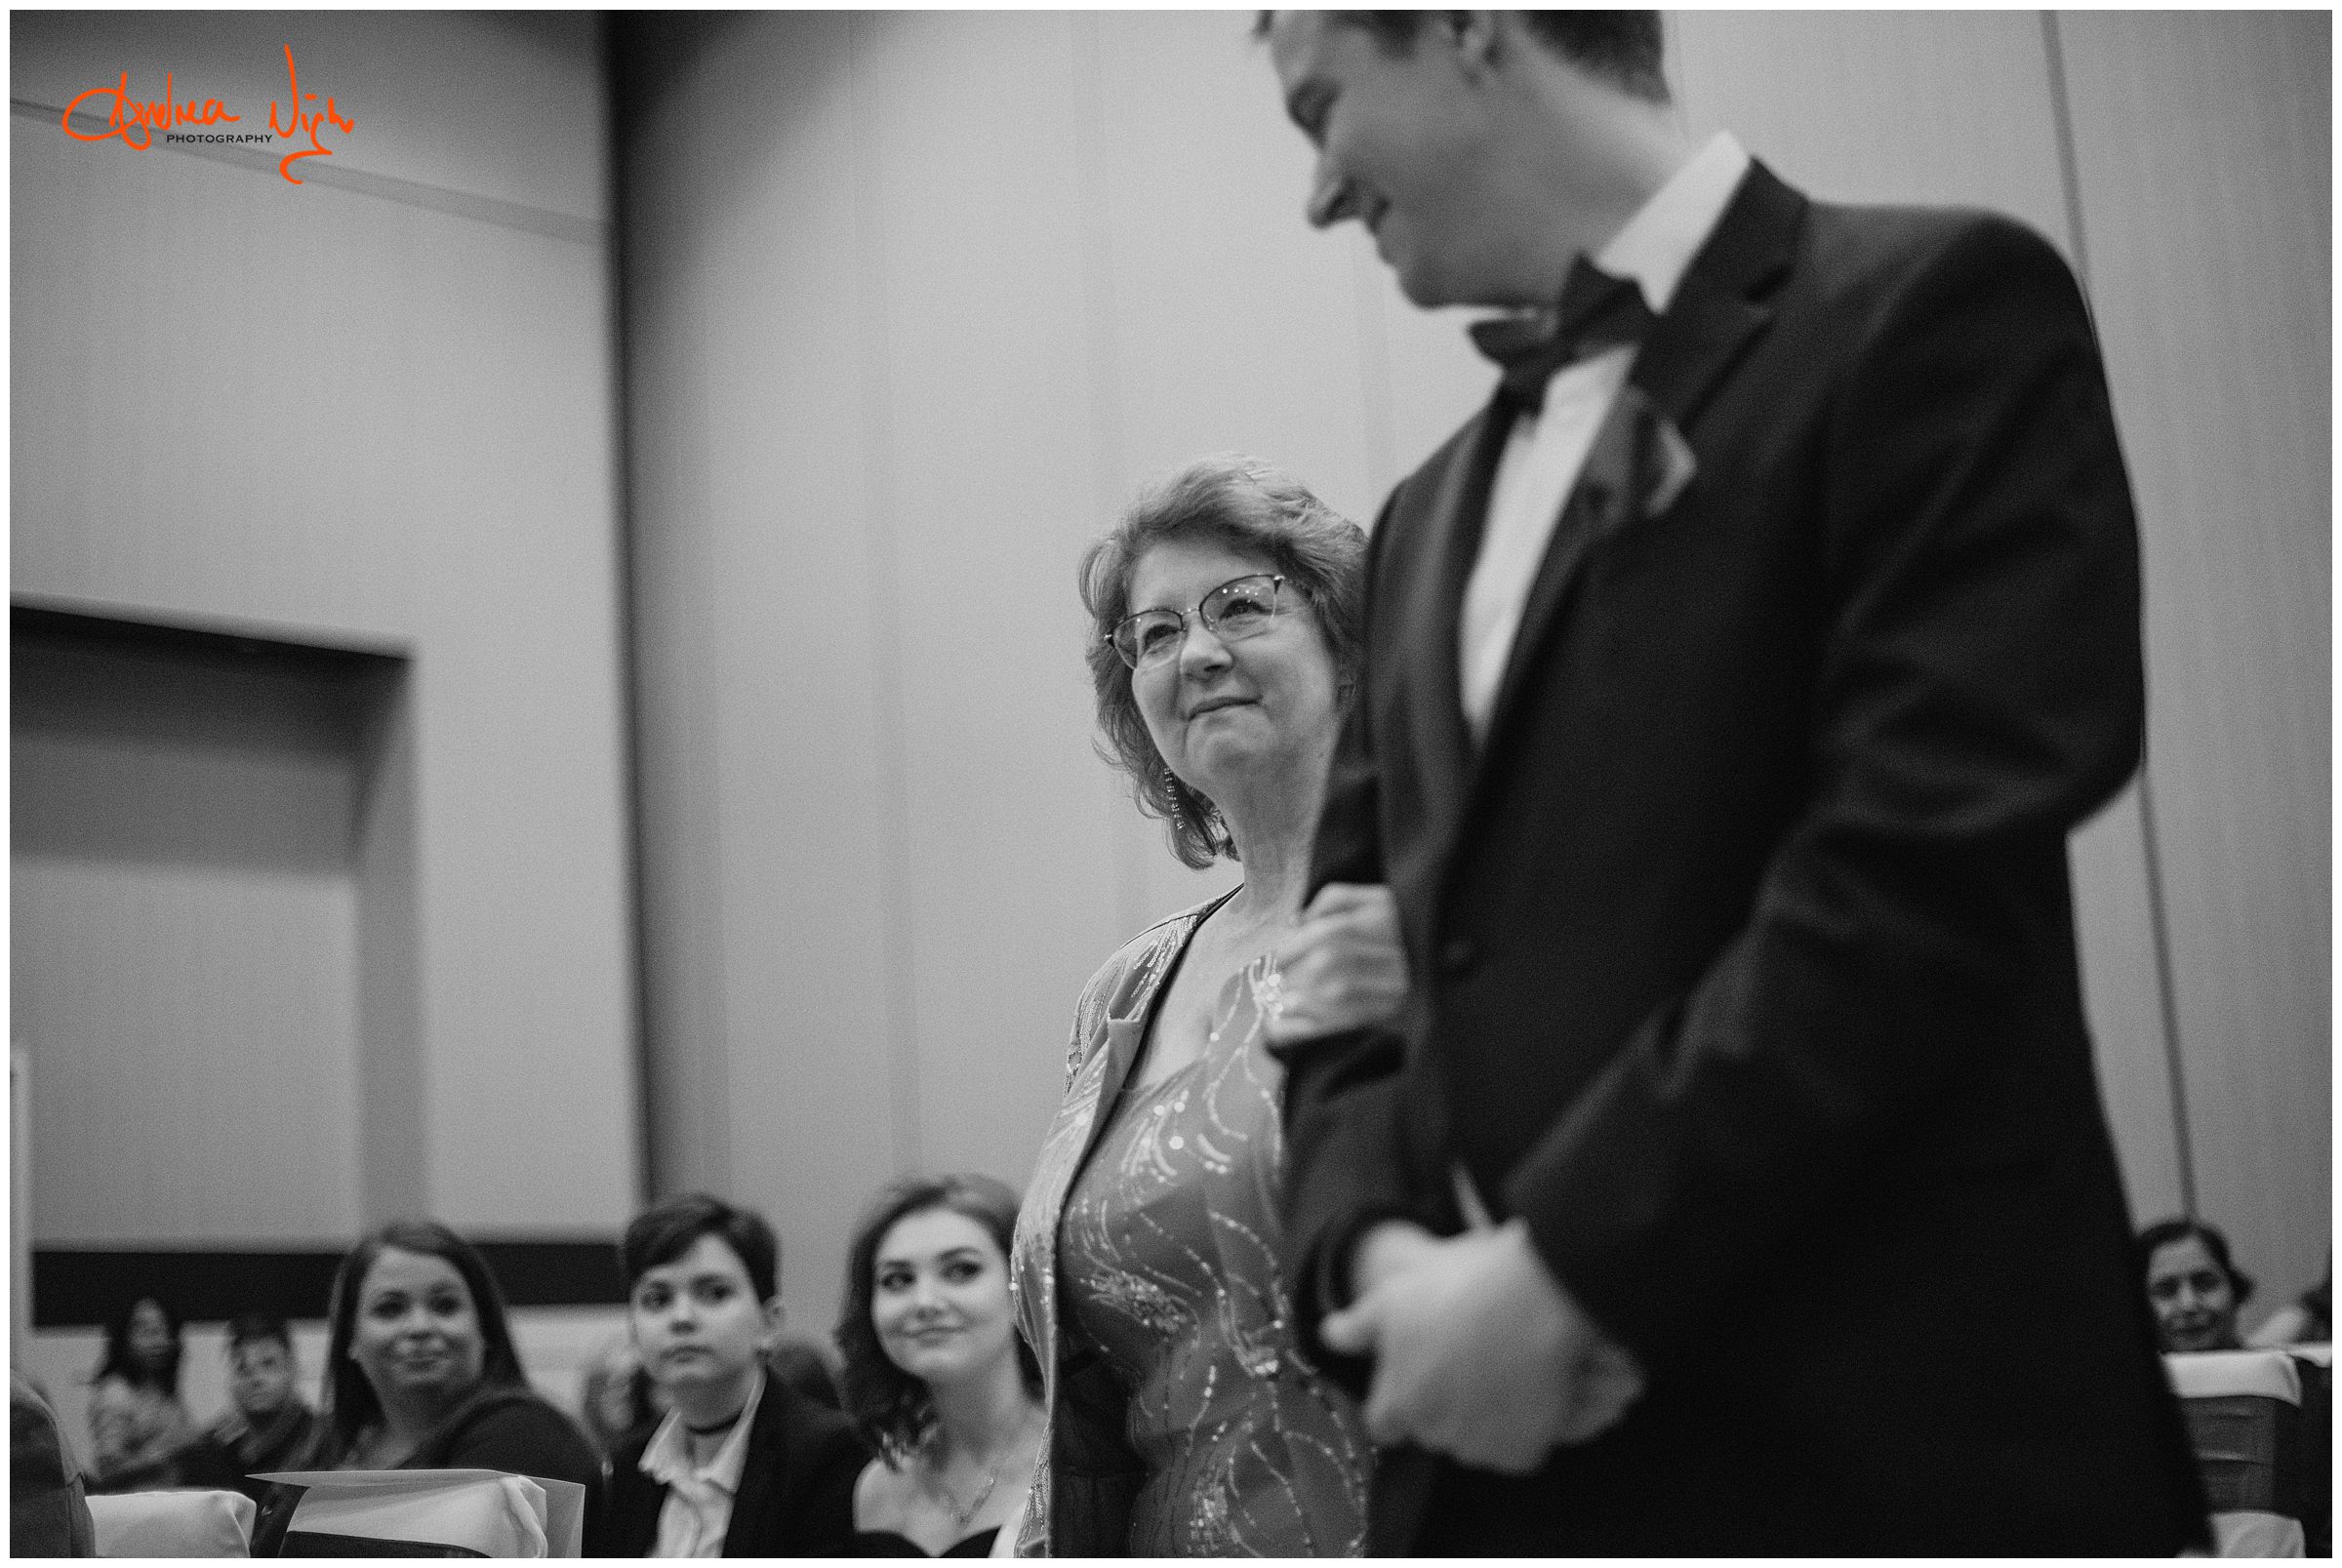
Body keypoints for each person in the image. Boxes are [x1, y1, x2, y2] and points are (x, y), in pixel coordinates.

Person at [1256, 10, 2208, 1554]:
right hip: (1496, 1471)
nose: (1314, 191)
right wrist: (1370, 1270)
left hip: (1881, 1445)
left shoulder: (1930, 311)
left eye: (1320, 108)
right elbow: (1339, 966)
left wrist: (1560, 1268)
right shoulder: (1422, 518)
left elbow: (1914, 875)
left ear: (1466, 31)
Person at [1011, 454, 1384, 1555]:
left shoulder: (1452, 912)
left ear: (1350, 644)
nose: (1200, 650)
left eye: (1240, 605)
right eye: (1157, 632)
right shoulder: (1124, 992)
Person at [592, 1193, 868, 1556]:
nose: (682, 1317)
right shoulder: (629, 1465)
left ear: (769, 1322)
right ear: (633, 1329)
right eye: (657, 1300)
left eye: (714, 1293)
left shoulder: (830, 1456)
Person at [835, 1176, 1041, 1558]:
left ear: (1022, 1287)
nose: (924, 1302)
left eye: (961, 1271)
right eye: (897, 1280)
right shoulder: (878, 1486)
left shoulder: (1077, 1466)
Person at [177, 1313, 323, 1501]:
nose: (255, 1379)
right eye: (242, 1368)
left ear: (292, 1369)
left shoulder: (321, 1440)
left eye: (268, 1364)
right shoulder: (216, 1447)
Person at [85, 1295, 195, 1492]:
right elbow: (108, 1469)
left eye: (163, 1329)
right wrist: (165, 1453)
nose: (157, 1339)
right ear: (124, 1337)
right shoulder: (116, 1393)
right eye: (144, 1330)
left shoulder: (161, 1387)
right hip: (135, 1507)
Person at [2140, 1217, 2251, 1353]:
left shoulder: (2275, 1371)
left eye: (2205, 1284)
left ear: (2235, 1289)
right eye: (2166, 1291)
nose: (2189, 1305)